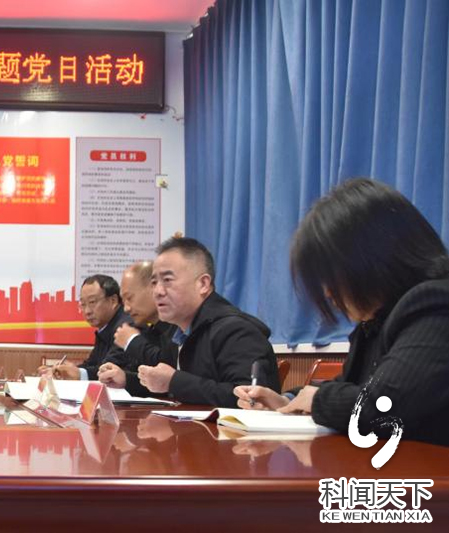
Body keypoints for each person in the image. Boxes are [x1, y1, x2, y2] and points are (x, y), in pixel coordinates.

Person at [236, 179, 449, 446]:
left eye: (330, 276)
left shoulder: (435, 304)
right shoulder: (376, 320)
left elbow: (382, 405)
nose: (327, 293)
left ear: (371, 258)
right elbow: (350, 386)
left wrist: (316, 400)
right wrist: (287, 401)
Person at [100, 237, 279, 406]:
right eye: (154, 282)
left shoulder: (236, 330)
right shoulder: (179, 331)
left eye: (167, 280)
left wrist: (174, 381)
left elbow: (251, 400)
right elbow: (171, 385)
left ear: (203, 284)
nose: (158, 291)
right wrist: (126, 379)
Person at [97, 260, 179, 389]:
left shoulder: (178, 323)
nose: (126, 309)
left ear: (153, 288)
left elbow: (169, 370)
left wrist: (132, 341)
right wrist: (125, 378)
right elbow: (156, 381)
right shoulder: (148, 326)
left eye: (129, 298)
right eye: (124, 301)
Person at [39, 275, 130, 380]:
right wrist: (70, 370)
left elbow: (109, 371)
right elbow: (92, 364)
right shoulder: (105, 328)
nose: (87, 311)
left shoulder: (125, 327)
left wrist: (78, 373)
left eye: (92, 302)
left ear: (113, 301)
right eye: (83, 304)